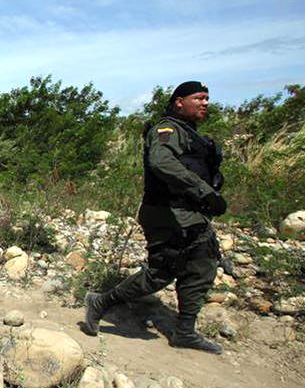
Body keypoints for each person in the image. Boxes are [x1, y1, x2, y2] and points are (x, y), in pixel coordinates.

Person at [83, 81, 226, 354]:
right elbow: (161, 162)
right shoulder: (167, 129)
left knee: (201, 266)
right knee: (162, 271)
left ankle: (184, 331)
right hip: (167, 214)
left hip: (191, 215)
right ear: (179, 102)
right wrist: (203, 191)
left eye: (207, 98)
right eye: (199, 98)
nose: (205, 103)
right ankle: (101, 302)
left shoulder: (191, 135)